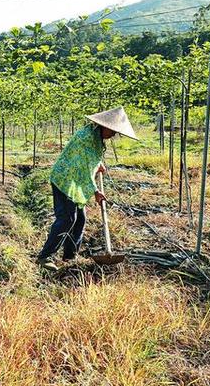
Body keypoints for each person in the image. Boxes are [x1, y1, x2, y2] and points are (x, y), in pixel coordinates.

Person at [36, 107, 138, 270]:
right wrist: (96, 191)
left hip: (74, 182)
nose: (113, 135)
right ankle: (45, 256)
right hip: (64, 180)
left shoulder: (95, 136)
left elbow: (89, 160)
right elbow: (82, 168)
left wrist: (98, 164)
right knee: (67, 218)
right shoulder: (86, 138)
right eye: (113, 131)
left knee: (79, 220)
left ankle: (70, 258)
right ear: (105, 126)